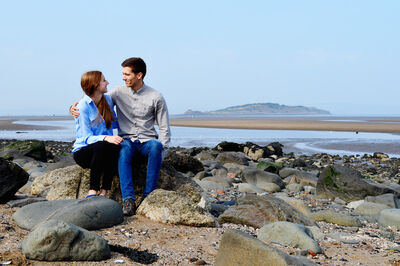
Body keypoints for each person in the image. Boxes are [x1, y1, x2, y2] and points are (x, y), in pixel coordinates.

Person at [71, 58, 171, 215]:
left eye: (127, 74)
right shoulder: (117, 93)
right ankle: (128, 200)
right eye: (123, 74)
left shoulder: (156, 96)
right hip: (127, 142)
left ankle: (148, 196)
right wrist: (73, 108)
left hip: (147, 142)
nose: (123, 77)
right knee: (121, 147)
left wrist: (162, 152)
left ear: (139, 75)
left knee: (156, 146)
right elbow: (94, 97)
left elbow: (164, 127)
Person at [72, 71, 123, 199]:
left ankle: (105, 190)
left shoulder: (107, 100)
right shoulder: (82, 107)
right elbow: (86, 138)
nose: (107, 82)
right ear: (95, 85)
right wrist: (106, 137)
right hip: (84, 152)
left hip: (104, 150)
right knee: (101, 145)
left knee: (116, 147)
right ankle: (92, 191)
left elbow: (115, 123)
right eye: (104, 80)